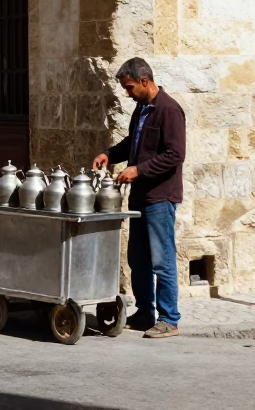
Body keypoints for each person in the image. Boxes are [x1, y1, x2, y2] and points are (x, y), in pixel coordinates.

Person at [92, 58, 185, 339]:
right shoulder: (142, 109)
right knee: (138, 259)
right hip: (139, 198)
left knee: (162, 259)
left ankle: (169, 318)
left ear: (145, 81)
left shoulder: (169, 110)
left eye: (130, 87)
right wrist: (109, 153)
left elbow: (174, 155)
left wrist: (138, 170)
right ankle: (146, 313)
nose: (127, 92)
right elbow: (132, 143)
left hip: (160, 197)